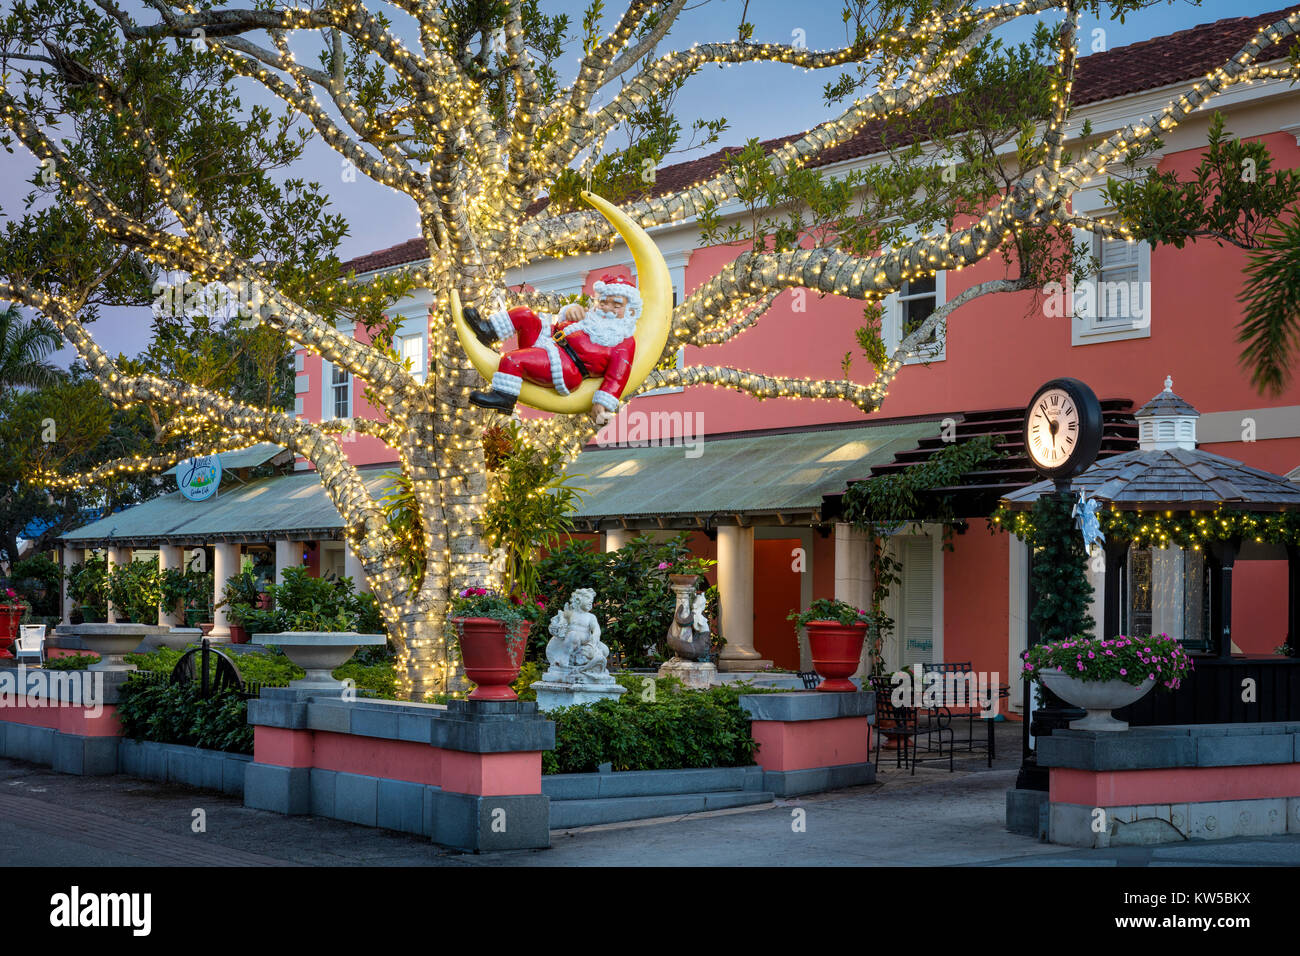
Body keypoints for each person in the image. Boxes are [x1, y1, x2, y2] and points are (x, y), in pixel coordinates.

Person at [463, 274, 641, 425]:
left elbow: (616, 378)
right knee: (524, 314)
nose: (607, 309)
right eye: (603, 303)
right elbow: (565, 322)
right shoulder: (591, 318)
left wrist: (602, 404)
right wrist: (570, 311)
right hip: (548, 340)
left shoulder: (623, 342)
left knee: (512, 360)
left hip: (565, 367)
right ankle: (487, 330)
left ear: (630, 311)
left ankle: (504, 397)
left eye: (616, 305)